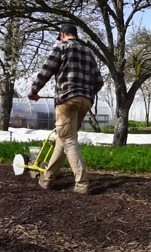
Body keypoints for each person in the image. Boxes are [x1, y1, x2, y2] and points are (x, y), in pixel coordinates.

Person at [28, 23, 104, 194]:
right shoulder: (88, 52)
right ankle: (47, 178)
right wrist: (86, 93)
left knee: (68, 140)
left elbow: (46, 71)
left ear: (62, 34)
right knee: (62, 139)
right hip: (85, 101)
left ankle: (82, 183)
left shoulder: (61, 47)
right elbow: (99, 82)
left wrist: (34, 91)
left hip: (67, 101)